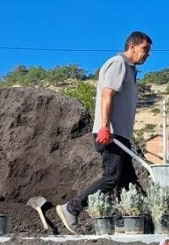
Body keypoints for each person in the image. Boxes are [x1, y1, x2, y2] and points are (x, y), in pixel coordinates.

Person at [57, 31, 152, 234]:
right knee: (111, 178)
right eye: (145, 49)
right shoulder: (118, 63)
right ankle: (71, 208)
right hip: (110, 133)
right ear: (132, 46)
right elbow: (107, 95)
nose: (148, 54)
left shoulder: (130, 69)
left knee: (127, 182)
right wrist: (105, 127)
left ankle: (121, 222)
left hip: (120, 135)